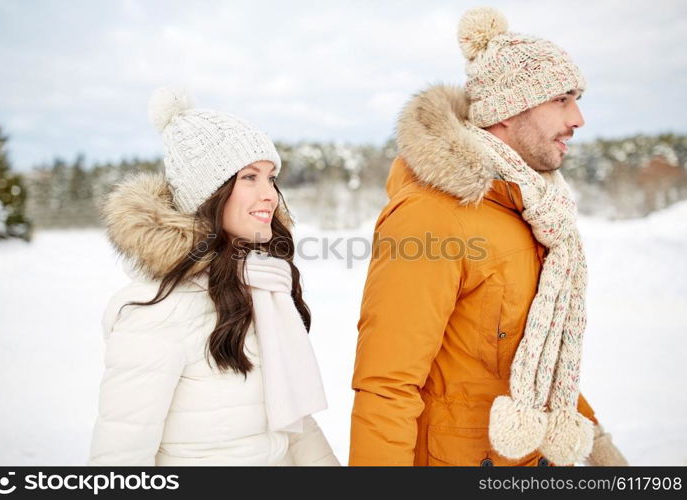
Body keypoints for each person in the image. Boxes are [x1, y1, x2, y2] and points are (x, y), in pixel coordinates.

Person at [349, 7, 627, 467]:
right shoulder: (430, 217)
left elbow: (535, 355)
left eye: (577, 98)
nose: (578, 118)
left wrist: (596, 443)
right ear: (506, 111)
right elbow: (387, 384)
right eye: (561, 99)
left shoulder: (535, 210)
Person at [88, 87, 339, 466]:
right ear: (208, 194)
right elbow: (119, 458)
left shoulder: (262, 288)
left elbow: (292, 423)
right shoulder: (159, 312)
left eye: (271, 178)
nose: (270, 194)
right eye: (249, 178)